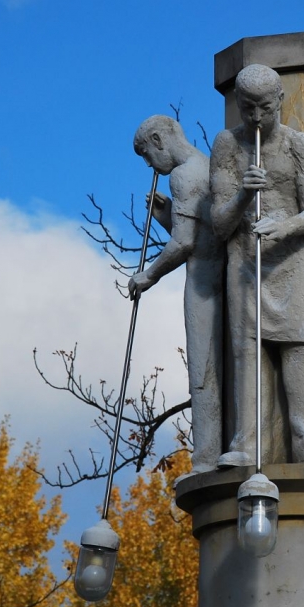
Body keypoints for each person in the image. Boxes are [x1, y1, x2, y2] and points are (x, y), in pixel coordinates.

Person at [210, 64, 304, 467]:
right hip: (246, 264)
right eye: (248, 108)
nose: (256, 117)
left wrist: (283, 227)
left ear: (280, 100)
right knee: (248, 353)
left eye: (265, 107)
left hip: (293, 262)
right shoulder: (227, 146)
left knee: (303, 347)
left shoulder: (301, 145)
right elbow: (219, 224)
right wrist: (243, 196)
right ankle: (247, 444)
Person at [128, 115, 224, 475]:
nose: (149, 164)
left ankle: (207, 457)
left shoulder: (183, 175)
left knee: (203, 371)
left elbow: (184, 243)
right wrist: (166, 215)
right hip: (218, 277)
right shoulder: (206, 165)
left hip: (203, 284)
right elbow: (200, 233)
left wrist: (148, 275)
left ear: (158, 140)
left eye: (146, 154)